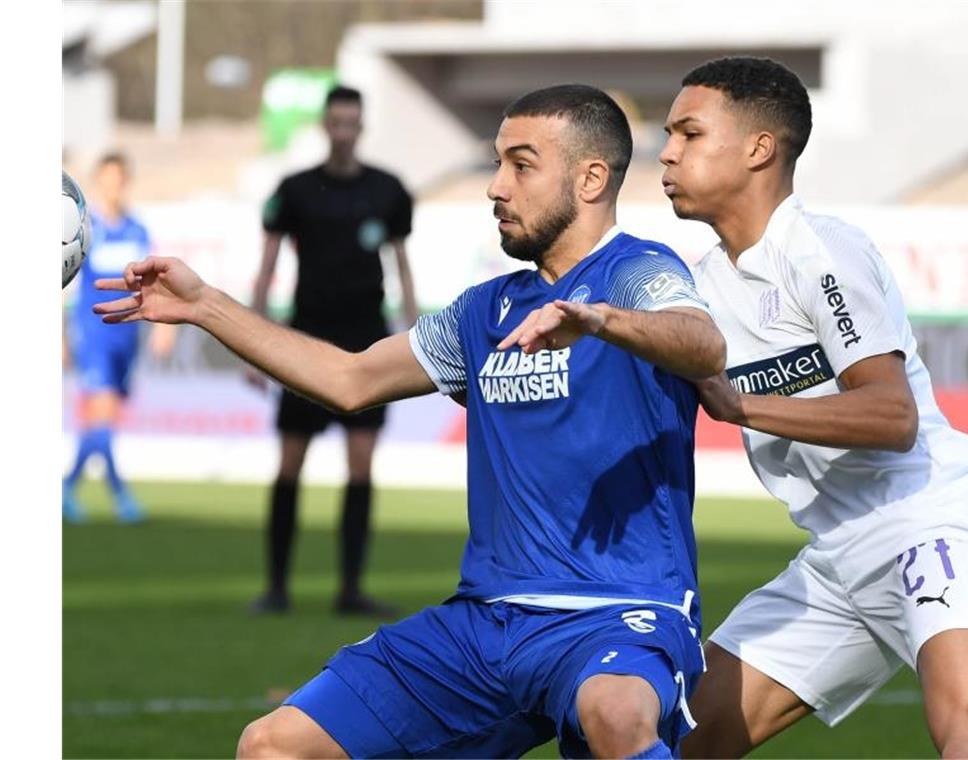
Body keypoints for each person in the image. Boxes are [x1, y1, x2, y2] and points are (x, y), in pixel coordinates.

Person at [95, 84, 726, 759]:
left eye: (520, 164)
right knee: (272, 745)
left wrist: (599, 319)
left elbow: (701, 342)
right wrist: (205, 306)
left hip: (616, 616)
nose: (495, 187)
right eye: (496, 163)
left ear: (591, 177)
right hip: (485, 622)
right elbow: (348, 379)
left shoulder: (636, 272)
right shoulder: (484, 310)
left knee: (616, 717)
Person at [658, 56, 968, 759]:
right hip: (837, 558)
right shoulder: (697, 286)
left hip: (933, 525)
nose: (666, 151)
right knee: (673, 740)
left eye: (688, 132)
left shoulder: (821, 251)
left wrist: (742, 405)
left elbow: (893, 418)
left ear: (758, 149)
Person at [249, 84, 419, 616]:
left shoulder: (388, 190)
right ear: (325, 126)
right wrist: (253, 343)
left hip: (366, 340)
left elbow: (401, 262)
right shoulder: (295, 189)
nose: (344, 132)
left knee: (362, 465)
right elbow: (269, 263)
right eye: (336, 122)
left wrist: (413, 329)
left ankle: (350, 588)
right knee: (290, 463)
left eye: (352, 123)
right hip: (305, 341)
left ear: (361, 127)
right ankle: (276, 586)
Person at [63, 152, 175, 523]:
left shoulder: (138, 230)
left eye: (119, 179)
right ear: (98, 182)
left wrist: (163, 326)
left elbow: (155, 284)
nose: (114, 186)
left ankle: (68, 488)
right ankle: (119, 494)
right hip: (94, 333)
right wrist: (60, 335)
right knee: (102, 414)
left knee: (102, 421)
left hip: (127, 337)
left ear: (126, 182)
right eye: (107, 179)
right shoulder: (82, 227)